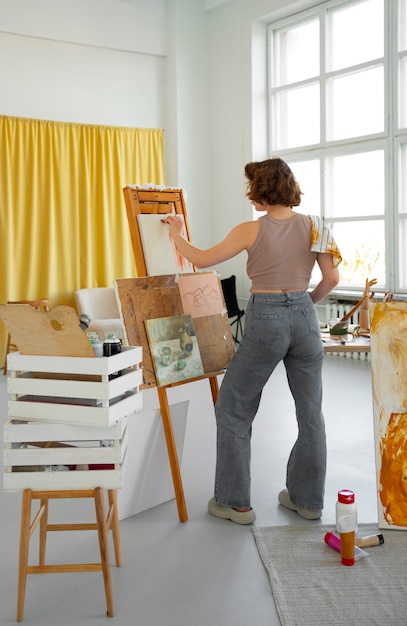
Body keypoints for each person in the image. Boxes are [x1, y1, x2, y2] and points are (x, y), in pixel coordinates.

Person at [163, 157, 342, 524]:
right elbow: (332, 279)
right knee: (311, 414)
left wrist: (176, 232)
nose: (250, 196)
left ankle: (234, 503)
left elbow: (199, 260)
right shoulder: (316, 225)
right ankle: (307, 502)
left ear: (262, 189)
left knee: (234, 406)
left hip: (266, 318)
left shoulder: (250, 230)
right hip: (306, 319)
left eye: (252, 188)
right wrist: (304, 306)